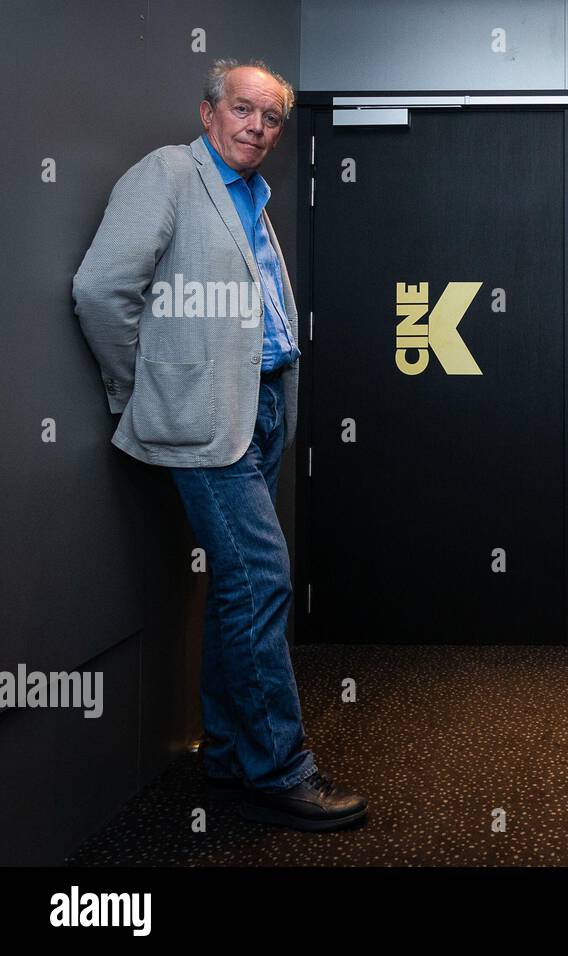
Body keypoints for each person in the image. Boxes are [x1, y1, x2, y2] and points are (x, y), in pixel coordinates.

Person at [72, 58, 366, 831]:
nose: (258, 129)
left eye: (271, 120)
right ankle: (281, 769)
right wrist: (146, 388)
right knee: (265, 578)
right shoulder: (168, 175)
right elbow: (102, 290)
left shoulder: (252, 196)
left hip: (261, 407)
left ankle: (232, 752)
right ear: (209, 113)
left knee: (238, 586)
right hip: (205, 419)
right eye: (244, 111)